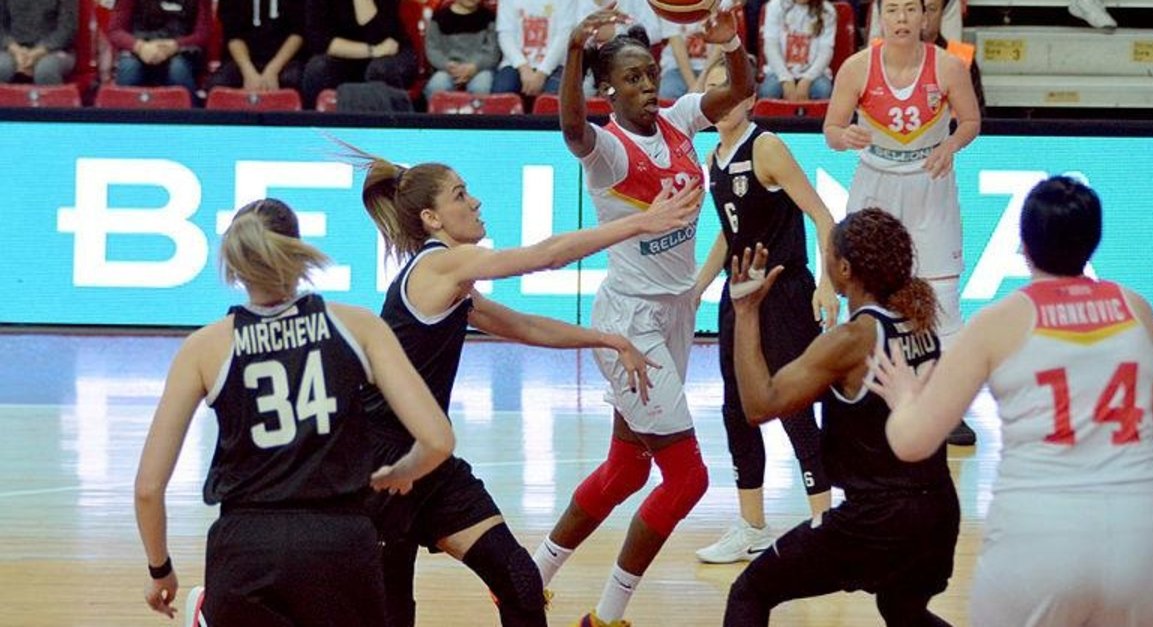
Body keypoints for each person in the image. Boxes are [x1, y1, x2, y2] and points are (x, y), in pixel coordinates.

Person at [350, 147, 703, 627]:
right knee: (392, 612)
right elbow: (545, 255)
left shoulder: (456, 286)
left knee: (520, 581)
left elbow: (525, 327)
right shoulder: (438, 266)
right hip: (382, 461)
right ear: (432, 219)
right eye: (460, 195)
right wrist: (640, 223)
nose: (475, 202)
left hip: (429, 463)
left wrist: (606, 338)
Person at [868, 176, 1153, 626]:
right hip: (1142, 534)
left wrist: (905, 397)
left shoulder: (998, 322)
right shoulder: (1137, 308)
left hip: (1040, 535)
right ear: (1094, 239)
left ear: (1025, 245)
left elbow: (912, 442)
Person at [530, 9, 753, 626]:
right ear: (608, 89)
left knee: (626, 470)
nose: (649, 86)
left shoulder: (680, 119)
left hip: (675, 313)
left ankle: (528, 578)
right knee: (687, 479)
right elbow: (570, 127)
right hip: (632, 323)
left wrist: (731, 41)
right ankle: (606, 616)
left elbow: (739, 90)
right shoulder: (606, 151)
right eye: (632, 79)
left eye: (651, 74)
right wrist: (574, 51)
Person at [134, 199, 455, 625]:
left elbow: (148, 488)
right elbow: (437, 440)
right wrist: (402, 471)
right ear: (296, 250)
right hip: (339, 541)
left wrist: (160, 569)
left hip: (246, 546)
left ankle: (204, 612)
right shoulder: (356, 326)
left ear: (238, 261)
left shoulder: (205, 347)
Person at [723, 209, 959, 626]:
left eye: (828, 254)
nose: (825, 261)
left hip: (878, 518)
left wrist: (745, 313)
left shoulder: (852, 340)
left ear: (845, 269)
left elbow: (759, 406)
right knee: (901, 608)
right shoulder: (919, 321)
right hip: (938, 510)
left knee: (751, 590)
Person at [692, 56, 838, 564]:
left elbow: (823, 215)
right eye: (713, 89)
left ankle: (825, 526)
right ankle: (752, 525)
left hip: (784, 293)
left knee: (794, 408)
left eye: (729, 89)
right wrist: (697, 288)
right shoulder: (713, 157)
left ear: (750, 98)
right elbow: (728, 233)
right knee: (737, 409)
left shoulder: (767, 147)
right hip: (739, 297)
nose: (720, 99)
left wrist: (827, 285)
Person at [823, 0, 981, 445]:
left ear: (925, 16)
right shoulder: (856, 68)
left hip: (930, 183)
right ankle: (865, 399)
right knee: (867, 294)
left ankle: (946, 407)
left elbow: (971, 120)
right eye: (892, 10)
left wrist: (951, 145)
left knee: (942, 296)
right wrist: (845, 136)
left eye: (911, 9)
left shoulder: (948, 66)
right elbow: (831, 130)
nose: (902, 19)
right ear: (880, 17)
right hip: (876, 184)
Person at [300, 0, 418, 110]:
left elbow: (380, 37)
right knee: (318, 68)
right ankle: (318, 123)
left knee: (380, 70)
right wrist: (372, 51)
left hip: (392, 51)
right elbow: (321, 41)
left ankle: (385, 123)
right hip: (351, 54)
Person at [106, 0, 212, 105]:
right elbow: (115, 30)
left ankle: (191, 113)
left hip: (183, 51)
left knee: (177, 70)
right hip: (139, 49)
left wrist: (175, 45)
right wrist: (140, 47)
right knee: (129, 69)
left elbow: (203, 34)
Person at [208, 0, 306, 93]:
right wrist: (249, 73)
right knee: (217, 84)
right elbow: (233, 35)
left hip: (286, 61)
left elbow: (298, 33)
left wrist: (272, 70)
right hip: (242, 61)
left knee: (293, 80)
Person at [759, 0, 838, 101]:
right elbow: (771, 46)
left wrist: (807, 79)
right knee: (768, 92)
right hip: (778, 72)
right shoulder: (774, 6)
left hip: (815, 74)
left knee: (823, 90)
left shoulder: (827, 11)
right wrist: (785, 78)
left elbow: (826, 51)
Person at [491, 0, 572, 97]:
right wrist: (523, 68)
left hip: (555, 64)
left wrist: (543, 72)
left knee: (555, 98)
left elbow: (564, 37)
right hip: (515, 64)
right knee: (502, 92)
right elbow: (505, 36)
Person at [423, 0, 500, 101]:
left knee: (481, 87)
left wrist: (475, 66)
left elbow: (493, 51)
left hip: (480, 69)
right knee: (436, 87)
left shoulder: (489, 18)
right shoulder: (439, 17)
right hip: (448, 69)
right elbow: (433, 49)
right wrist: (446, 65)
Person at [921, 0, 984, 115]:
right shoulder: (888, 58)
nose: (924, 18)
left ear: (942, 13)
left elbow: (978, 120)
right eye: (917, 9)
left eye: (931, 9)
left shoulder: (963, 59)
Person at [0, 0, 77, 86]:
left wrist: (37, 53)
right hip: (11, 48)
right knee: (2, 67)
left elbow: (67, 28)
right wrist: (15, 50)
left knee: (46, 70)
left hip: (54, 49)